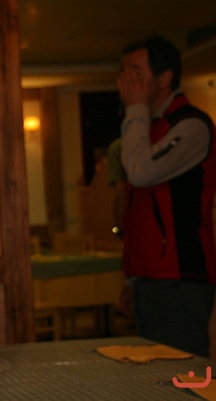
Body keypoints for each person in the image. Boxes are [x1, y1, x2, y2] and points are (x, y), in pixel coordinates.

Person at [117, 35, 216, 357]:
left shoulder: (191, 126)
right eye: (124, 71)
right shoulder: (149, 126)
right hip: (150, 277)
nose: (127, 80)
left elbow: (140, 171)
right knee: (151, 375)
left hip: (179, 277)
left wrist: (134, 109)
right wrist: (132, 280)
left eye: (136, 71)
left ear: (164, 78)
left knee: (181, 375)